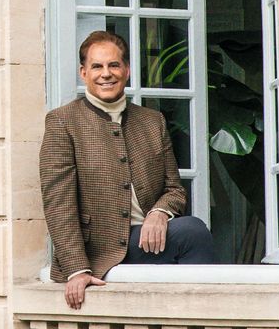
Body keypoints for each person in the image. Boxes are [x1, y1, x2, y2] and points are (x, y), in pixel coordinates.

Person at [39, 30, 215, 310]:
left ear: (127, 70)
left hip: (146, 242)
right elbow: (58, 204)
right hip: (99, 250)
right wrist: (76, 269)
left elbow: (174, 189)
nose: (106, 74)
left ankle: (198, 315)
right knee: (192, 231)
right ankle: (202, 312)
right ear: (83, 73)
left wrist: (159, 212)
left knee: (191, 231)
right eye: (97, 66)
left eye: (114, 65)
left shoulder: (152, 121)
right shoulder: (63, 122)